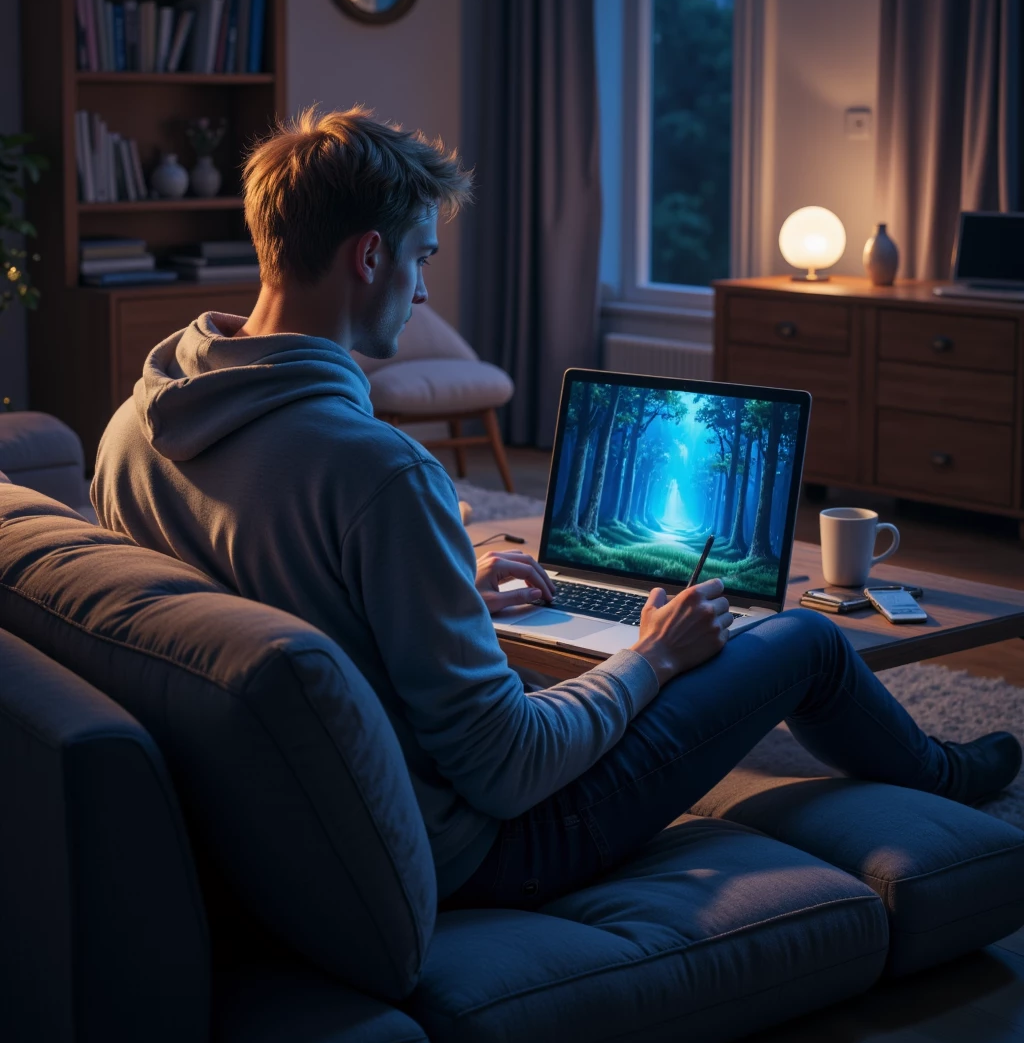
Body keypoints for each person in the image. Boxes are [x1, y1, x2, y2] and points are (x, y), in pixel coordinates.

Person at [92, 107, 1021, 910]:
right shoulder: (379, 472)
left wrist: (446, 595)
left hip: (277, 822)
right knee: (806, 641)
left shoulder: (132, 429)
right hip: (478, 850)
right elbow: (505, 768)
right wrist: (655, 658)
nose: (423, 292)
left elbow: (274, 610)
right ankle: (942, 777)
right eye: (420, 259)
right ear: (368, 255)